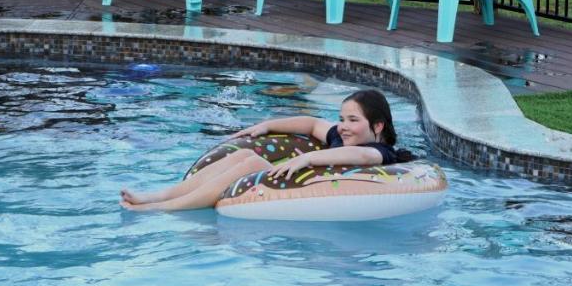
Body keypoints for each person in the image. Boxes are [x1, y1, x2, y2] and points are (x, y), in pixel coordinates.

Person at [120, 89, 410, 212]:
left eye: (353, 120)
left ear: (378, 126)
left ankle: (165, 208)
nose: (343, 126)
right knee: (243, 155)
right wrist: (267, 126)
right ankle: (159, 194)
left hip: (311, 193)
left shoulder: (379, 153)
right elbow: (310, 124)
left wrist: (308, 158)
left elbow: (361, 158)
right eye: (342, 118)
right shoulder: (341, 136)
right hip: (291, 184)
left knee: (250, 164)